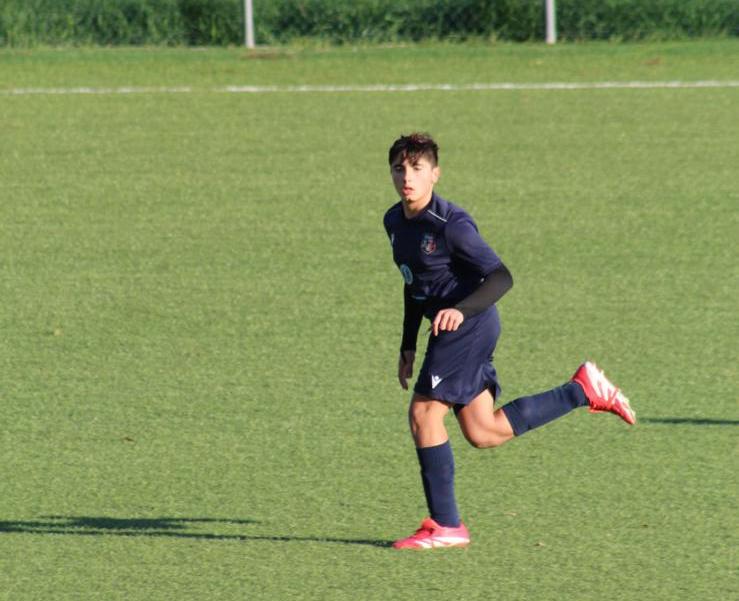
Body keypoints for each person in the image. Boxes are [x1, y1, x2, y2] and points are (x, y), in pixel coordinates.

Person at [383, 132, 635, 550]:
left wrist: (461, 311)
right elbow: (414, 284)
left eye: (416, 168)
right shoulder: (394, 221)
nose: (407, 177)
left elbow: (501, 277)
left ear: (435, 174)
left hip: (468, 325)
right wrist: (407, 343)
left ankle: (446, 526)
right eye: (399, 169)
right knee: (483, 431)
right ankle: (582, 390)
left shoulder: (452, 225)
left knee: (424, 414)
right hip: (450, 329)